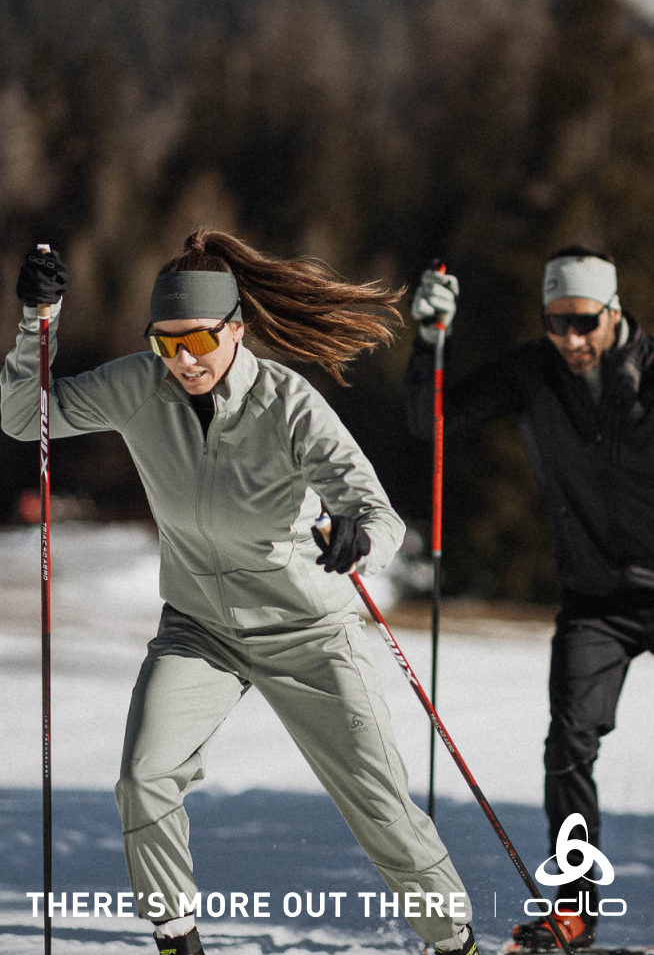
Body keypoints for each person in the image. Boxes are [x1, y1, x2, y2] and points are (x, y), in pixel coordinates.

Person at [1, 231, 482, 955]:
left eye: (196, 339)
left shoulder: (289, 404)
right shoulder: (140, 386)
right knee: (144, 778)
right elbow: (24, 418)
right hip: (200, 628)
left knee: (378, 803)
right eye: (165, 343)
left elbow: (377, 515)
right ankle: (177, 936)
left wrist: (360, 542)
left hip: (308, 633)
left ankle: (455, 940)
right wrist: (39, 323)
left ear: (235, 329)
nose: (183, 360)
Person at [405, 246, 654, 950]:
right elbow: (433, 421)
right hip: (596, 599)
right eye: (555, 323)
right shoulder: (533, 373)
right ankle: (573, 910)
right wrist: (430, 340)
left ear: (613, 312)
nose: (569, 339)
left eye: (582, 322)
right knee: (568, 749)